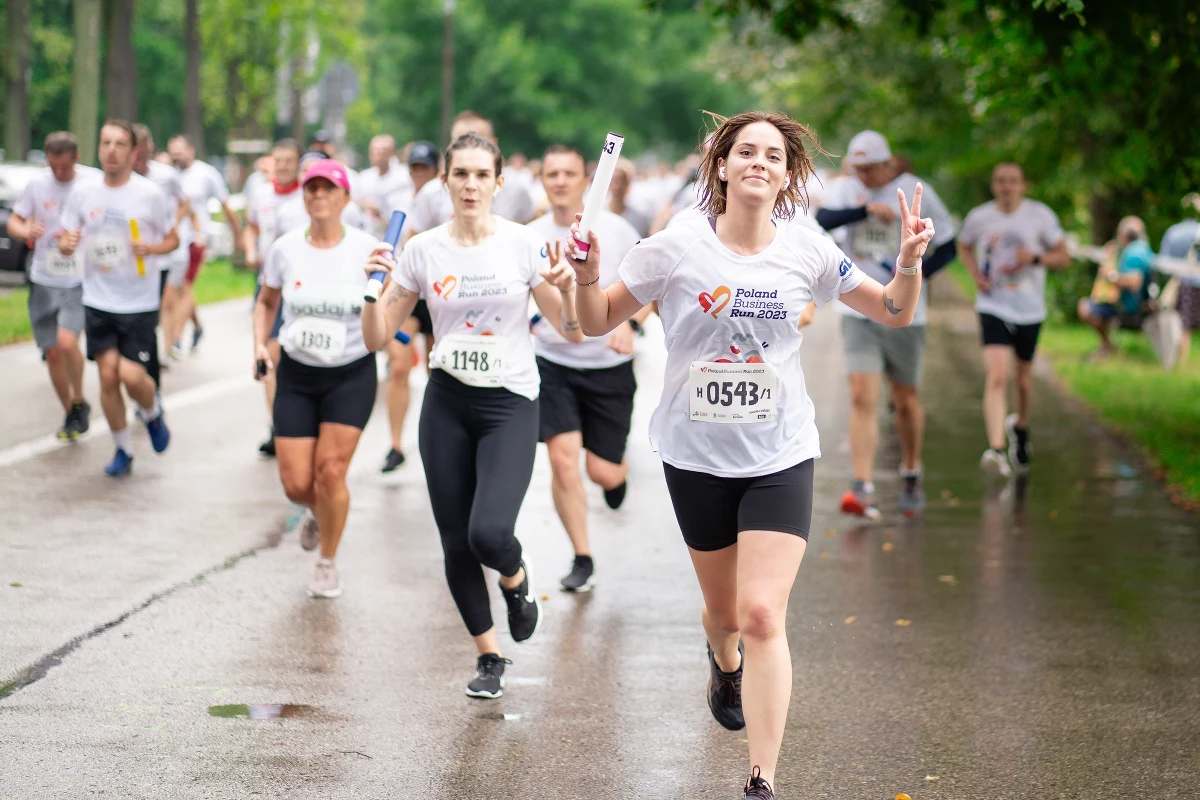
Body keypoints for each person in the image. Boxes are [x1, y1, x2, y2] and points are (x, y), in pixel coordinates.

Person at [569, 110, 933, 800]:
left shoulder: (807, 249)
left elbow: (892, 309)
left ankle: (763, 779)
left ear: (789, 173)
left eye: (773, 154)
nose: (760, 162)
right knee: (728, 615)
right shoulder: (676, 246)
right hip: (695, 452)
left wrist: (908, 265)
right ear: (723, 167)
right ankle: (722, 657)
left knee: (764, 611)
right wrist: (586, 276)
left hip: (780, 452)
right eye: (746, 153)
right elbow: (594, 320)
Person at [361, 133, 583, 699]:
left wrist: (570, 288)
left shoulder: (523, 244)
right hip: (448, 402)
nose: (470, 185)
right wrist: (372, 294)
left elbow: (572, 329)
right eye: (460, 174)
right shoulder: (423, 249)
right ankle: (489, 656)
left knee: (489, 532)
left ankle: (515, 578)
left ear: (499, 182)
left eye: (482, 175)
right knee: (456, 541)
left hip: (509, 401)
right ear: (444, 180)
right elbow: (378, 338)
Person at [252, 160, 380, 598]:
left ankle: (327, 560)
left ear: (346, 198)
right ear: (302, 197)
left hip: (351, 372)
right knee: (296, 484)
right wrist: (260, 344)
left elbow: (387, 305)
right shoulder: (285, 248)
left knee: (331, 472)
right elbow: (266, 302)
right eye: (311, 188)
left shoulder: (368, 249)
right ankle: (316, 510)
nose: (319, 195)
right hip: (298, 373)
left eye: (329, 188)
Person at [816, 130, 956, 519]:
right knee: (861, 396)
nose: (863, 177)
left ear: (887, 163)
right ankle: (862, 487)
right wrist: (864, 211)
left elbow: (949, 243)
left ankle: (911, 470)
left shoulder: (912, 189)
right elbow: (822, 219)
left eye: (870, 170)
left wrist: (917, 275)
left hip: (905, 314)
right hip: (857, 310)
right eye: (857, 169)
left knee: (904, 399)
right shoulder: (845, 189)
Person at [528, 144, 648, 592]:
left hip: (609, 367)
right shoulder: (530, 235)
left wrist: (630, 323)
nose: (559, 181)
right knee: (562, 460)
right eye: (551, 173)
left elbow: (652, 289)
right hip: (553, 362)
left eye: (569, 173)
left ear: (585, 181)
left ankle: (617, 474)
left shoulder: (617, 231)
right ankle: (582, 555)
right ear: (542, 180)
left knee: (602, 472)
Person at [59, 120, 179, 475]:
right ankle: (123, 450)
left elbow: (172, 239)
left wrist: (151, 247)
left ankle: (152, 411)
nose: (111, 150)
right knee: (108, 378)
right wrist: (67, 245)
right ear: (99, 148)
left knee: (130, 376)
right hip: (98, 299)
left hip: (139, 302)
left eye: (120, 144)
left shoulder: (149, 194)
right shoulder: (83, 192)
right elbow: (68, 237)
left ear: (133, 152)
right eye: (106, 142)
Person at [957, 162, 1070, 476]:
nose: (1006, 186)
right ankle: (995, 449)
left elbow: (1064, 256)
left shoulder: (1040, 216)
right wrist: (975, 275)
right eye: (1000, 181)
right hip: (993, 304)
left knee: (1022, 379)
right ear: (993, 185)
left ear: (1023, 185)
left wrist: (1034, 258)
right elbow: (964, 247)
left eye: (1012, 181)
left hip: (1030, 307)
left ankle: (1020, 428)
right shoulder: (979, 217)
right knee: (997, 375)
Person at [6, 132, 100, 439]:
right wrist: (26, 229)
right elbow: (14, 221)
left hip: (77, 279)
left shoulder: (92, 183)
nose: (59, 174)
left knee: (67, 342)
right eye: (53, 167)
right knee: (52, 352)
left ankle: (78, 399)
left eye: (65, 167)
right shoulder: (36, 184)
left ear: (76, 157)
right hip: (43, 277)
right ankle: (74, 409)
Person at [244, 139, 310, 457]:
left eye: (289, 161)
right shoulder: (260, 193)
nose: (283, 166)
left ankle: (301, 420)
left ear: (297, 164)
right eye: (278, 161)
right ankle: (277, 427)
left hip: (301, 287)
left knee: (292, 356)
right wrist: (248, 249)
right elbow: (251, 226)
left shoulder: (307, 196)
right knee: (269, 354)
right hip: (268, 284)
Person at [380, 140, 441, 473]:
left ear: (435, 170)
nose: (419, 173)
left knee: (437, 370)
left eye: (425, 168)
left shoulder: (443, 196)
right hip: (408, 289)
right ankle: (395, 444)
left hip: (440, 292)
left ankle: (436, 439)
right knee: (400, 366)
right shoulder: (400, 200)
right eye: (414, 167)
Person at [403, 111, 536, 242]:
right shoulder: (431, 193)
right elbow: (412, 239)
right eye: (462, 141)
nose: (470, 148)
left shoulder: (516, 189)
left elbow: (529, 224)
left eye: (479, 141)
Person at [166, 134, 242, 359]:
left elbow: (225, 204)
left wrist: (237, 234)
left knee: (186, 287)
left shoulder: (206, 174)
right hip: (173, 241)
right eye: (173, 153)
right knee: (177, 290)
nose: (176, 157)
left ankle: (177, 338)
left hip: (197, 239)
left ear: (191, 150)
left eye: (180, 152)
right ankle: (198, 326)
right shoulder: (169, 176)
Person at [131, 124, 191, 313]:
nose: (138, 161)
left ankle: (170, 342)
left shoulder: (166, 175)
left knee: (164, 303)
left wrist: (173, 222)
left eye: (142, 155)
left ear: (151, 149)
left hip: (161, 251)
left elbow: (185, 202)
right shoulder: (119, 178)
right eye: (135, 155)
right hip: (130, 252)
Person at [1077, 216, 1155, 358]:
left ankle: (1107, 345)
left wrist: (1110, 276)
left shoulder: (1134, 254)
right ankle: (1107, 345)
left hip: (1128, 307)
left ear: (1124, 235)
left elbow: (1134, 282)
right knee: (1092, 303)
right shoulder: (1142, 249)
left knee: (1085, 307)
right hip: (1130, 303)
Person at [1159, 210, 1200, 366]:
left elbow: (1164, 260)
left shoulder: (1173, 231)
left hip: (1184, 282)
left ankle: (1181, 361)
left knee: (1184, 324)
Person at [358, 134, 412, 230]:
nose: (379, 155)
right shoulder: (364, 177)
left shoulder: (404, 177)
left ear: (392, 153)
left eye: (383, 151)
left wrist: (380, 212)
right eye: (375, 151)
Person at [608, 157, 652, 236]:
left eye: (622, 181)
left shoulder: (640, 218)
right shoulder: (598, 214)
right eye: (613, 181)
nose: (617, 186)